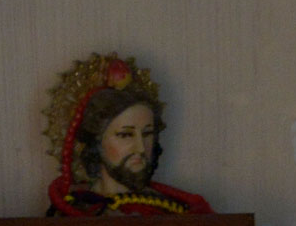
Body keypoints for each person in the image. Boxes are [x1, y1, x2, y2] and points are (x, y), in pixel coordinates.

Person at [43, 54, 213, 216]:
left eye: (147, 134)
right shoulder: (76, 211)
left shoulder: (173, 210)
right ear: (96, 141)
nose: (140, 147)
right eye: (125, 135)